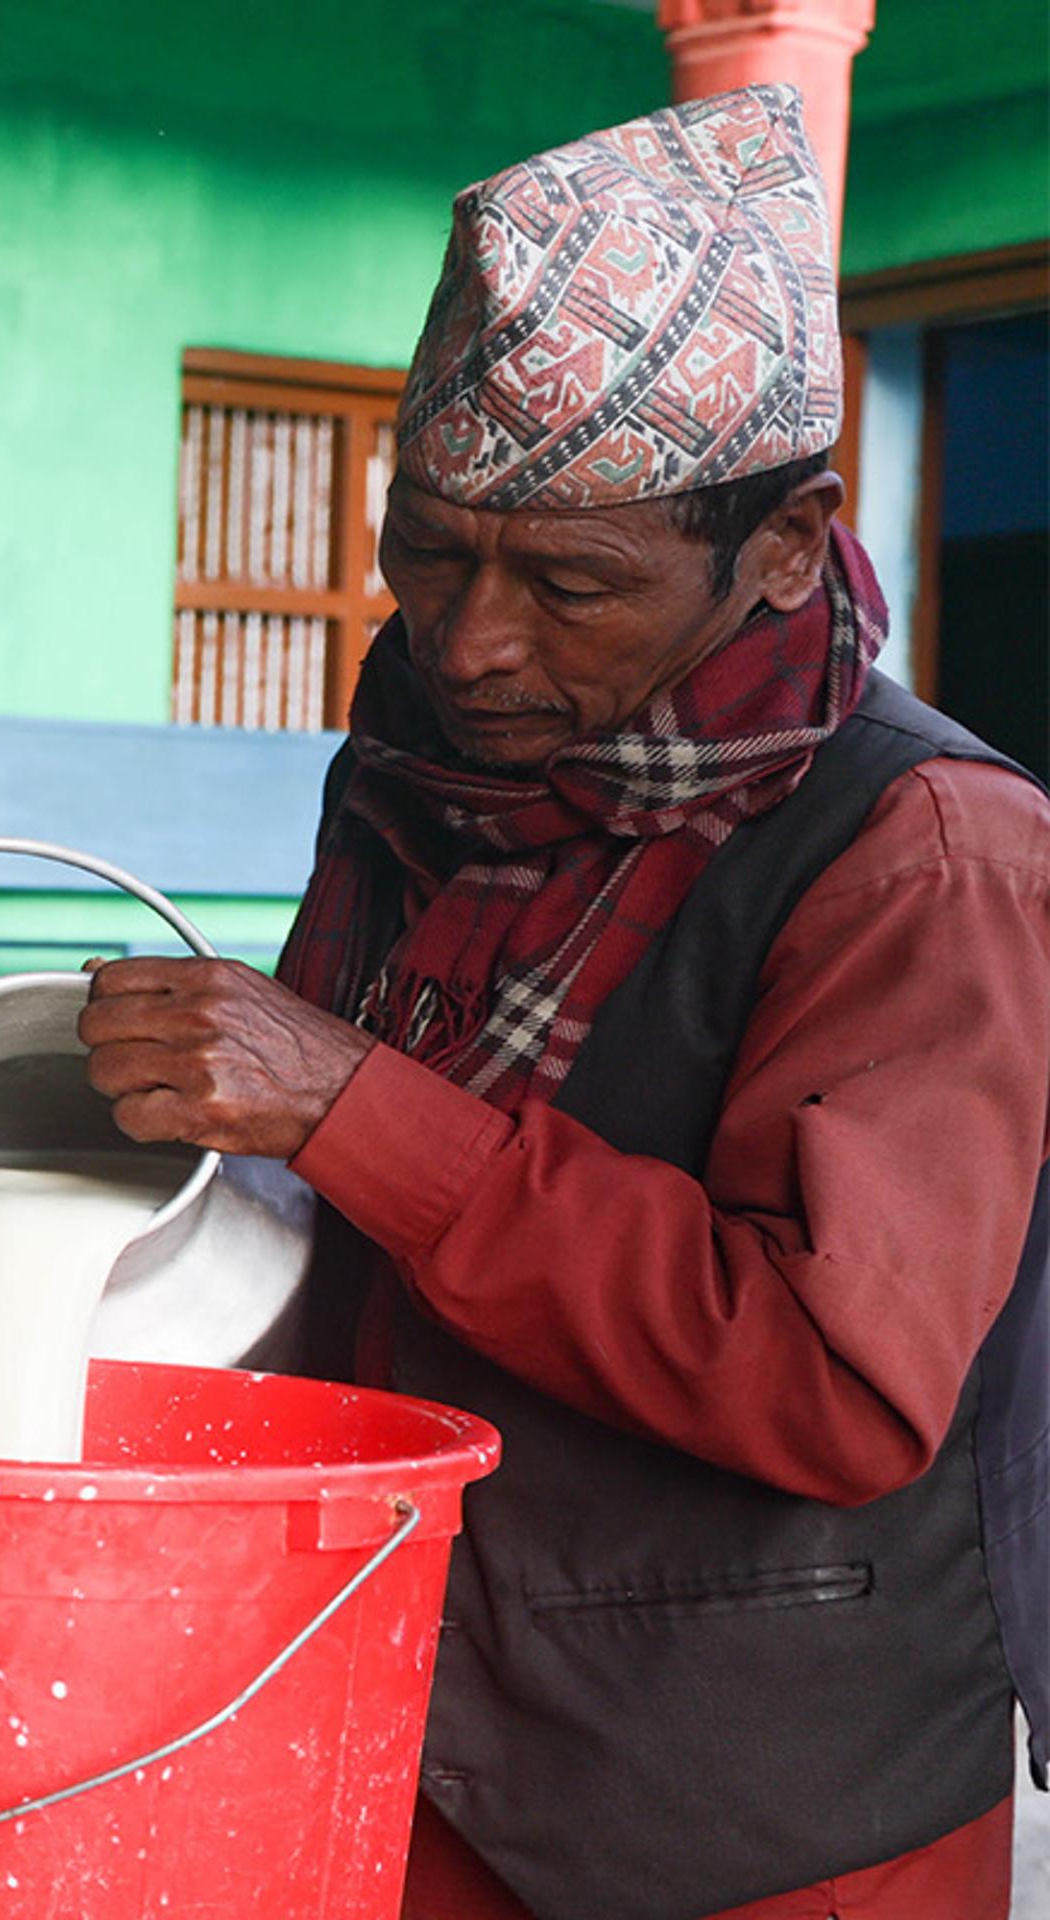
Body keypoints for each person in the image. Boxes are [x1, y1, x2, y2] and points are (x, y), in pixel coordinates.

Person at [78, 87, 1047, 1920]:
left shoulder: (926, 852)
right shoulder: (427, 763)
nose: (472, 642)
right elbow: (319, 1228)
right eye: (430, 551)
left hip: (743, 1826)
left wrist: (353, 1107)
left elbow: (831, 1384)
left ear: (782, 541)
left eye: (570, 580)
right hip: (407, 1723)